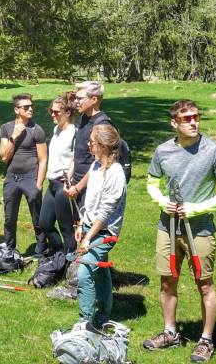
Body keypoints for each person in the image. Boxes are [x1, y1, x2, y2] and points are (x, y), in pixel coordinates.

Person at [143, 100, 216, 362]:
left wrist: (196, 208)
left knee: (204, 284)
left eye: (196, 116)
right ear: (174, 123)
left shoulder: (214, 150)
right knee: (167, 280)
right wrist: (163, 201)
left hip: (200, 229)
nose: (194, 122)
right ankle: (170, 332)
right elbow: (151, 183)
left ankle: (206, 340)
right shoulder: (163, 151)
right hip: (168, 226)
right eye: (187, 118)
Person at [76, 124, 127, 327]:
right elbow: (90, 202)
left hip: (104, 233)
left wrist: (88, 239)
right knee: (101, 270)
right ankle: (104, 312)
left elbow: (105, 213)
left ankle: (85, 320)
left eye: (93, 142)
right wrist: (81, 224)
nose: (89, 145)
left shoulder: (115, 174)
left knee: (85, 270)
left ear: (104, 145)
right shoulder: (96, 166)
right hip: (89, 227)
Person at [0, 93, 48, 256]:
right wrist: (14, 136)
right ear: (16, 110)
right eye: (26, 107)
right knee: (9, 217)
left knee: (37, 217)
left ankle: (41, 248)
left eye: (31, 106)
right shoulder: (6, 128)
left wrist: (39, 184)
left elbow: (43, 159)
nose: (30, 109)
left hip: (30, 178)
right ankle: (9, 248)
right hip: (11, 178)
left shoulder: (37, 129)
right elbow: (4, 157)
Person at [64, 81, 117, 213]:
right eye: (76, 98)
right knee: (76, 229)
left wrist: (78, 187)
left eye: (80, 98)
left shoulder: (102, 124)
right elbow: (78, 152)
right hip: (76, 184)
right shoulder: (83, 118)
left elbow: (100, 163)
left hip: (90, 187)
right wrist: (69, 178)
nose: (76, 101)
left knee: (88, 230)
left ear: (94, 99)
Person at [38, 93, 77, 257]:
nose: (52, 115)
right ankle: (60, 253)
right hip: (52, 183)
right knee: (44, 223)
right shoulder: (56, 130)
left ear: (67, 113)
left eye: (56, 112)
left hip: (63, 185)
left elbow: (76, 158)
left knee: (66, 227)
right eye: (51, 111)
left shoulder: (74, 132)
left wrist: (68, 180)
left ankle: (71, 261)